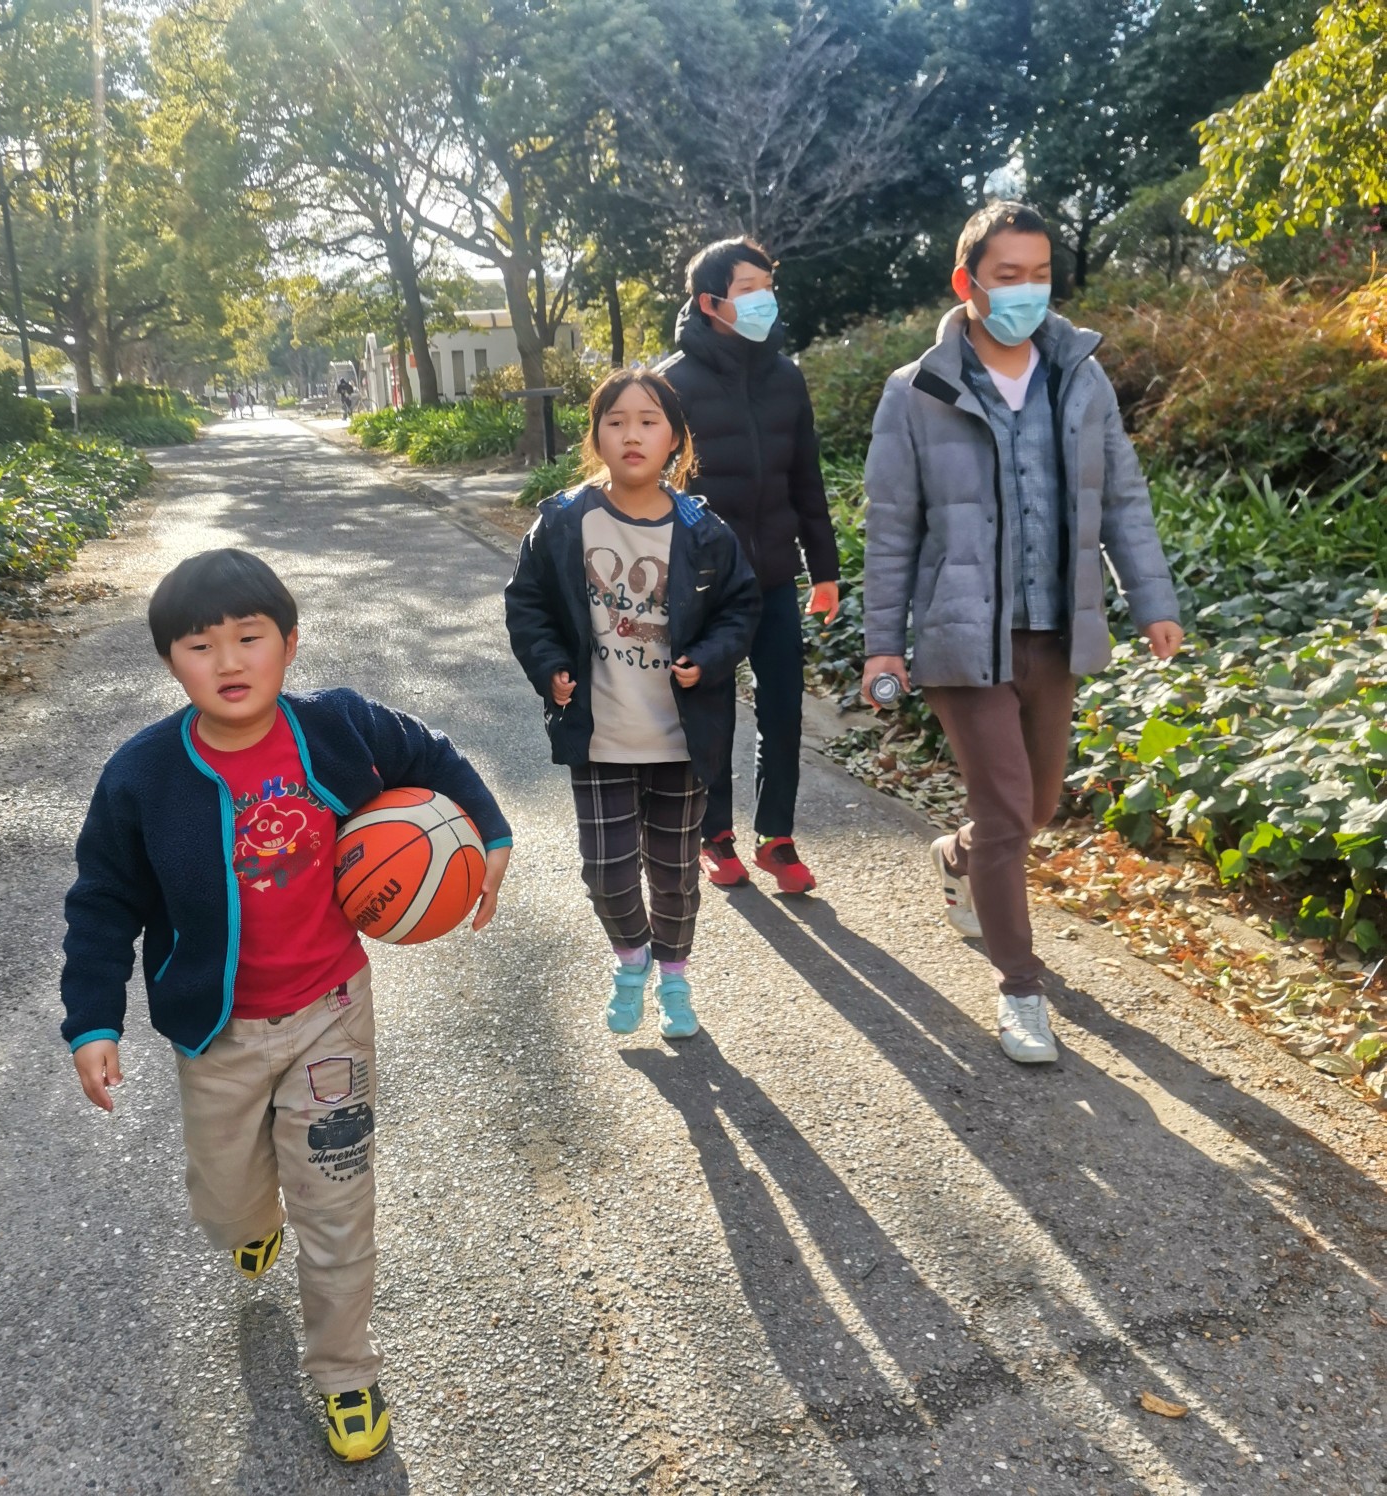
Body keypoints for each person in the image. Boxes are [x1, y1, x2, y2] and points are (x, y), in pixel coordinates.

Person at [59, 548, 513, 1462]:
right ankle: (250, 1229)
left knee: (338, 1207)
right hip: (214, 1031)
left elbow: (434, 756)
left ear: (289, 644)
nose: (227, 662)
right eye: (199, 646)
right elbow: (102, 898)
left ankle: (346, 1371)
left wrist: (489, 833)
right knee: (226, 1205)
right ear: (170, 662)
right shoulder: (144, 775)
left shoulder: (337, 727)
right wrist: (93, 1018)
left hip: (328, 1013)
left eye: (248, 638)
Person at [860, 201, 1182, 1065]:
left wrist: (1152, 600)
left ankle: (959, 857)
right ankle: (1020, 988)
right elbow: (890, 526)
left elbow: (1122, 499)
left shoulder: (1080, 377)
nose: (1028, 291)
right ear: (967, 283)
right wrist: (881, 642)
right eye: (1010, 276)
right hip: (964, 638)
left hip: (1055, 630)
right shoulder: (916, 391)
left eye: (1040, 274)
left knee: (1033, 808)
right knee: (1008, 810)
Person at [505, 369, 759, 1040]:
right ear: (595, 437)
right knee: (606, 874)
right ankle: (632, 959)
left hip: (682, 740)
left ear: (674, 437)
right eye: (615, 421)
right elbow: (526, 602)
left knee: (674, 878)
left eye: (648, 420)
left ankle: (673, 979)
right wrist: (550, 667)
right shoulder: (563, 520)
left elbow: (741, 607)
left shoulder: (702, 529)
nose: (632, 434)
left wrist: (705, 662)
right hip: (600, 735)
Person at [658, 237, 840, 895]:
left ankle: (777, 837)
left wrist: (825, 569)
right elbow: (642, 489)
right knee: (709, 712)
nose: (766, 299)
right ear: (711, 303)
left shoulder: (785, 378)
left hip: (774, 577)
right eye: (750, 288)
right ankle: (715, 834)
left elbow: (807, 480)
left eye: (769, 285)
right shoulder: (670, 384)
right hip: (702, 587)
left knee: (783, 706)